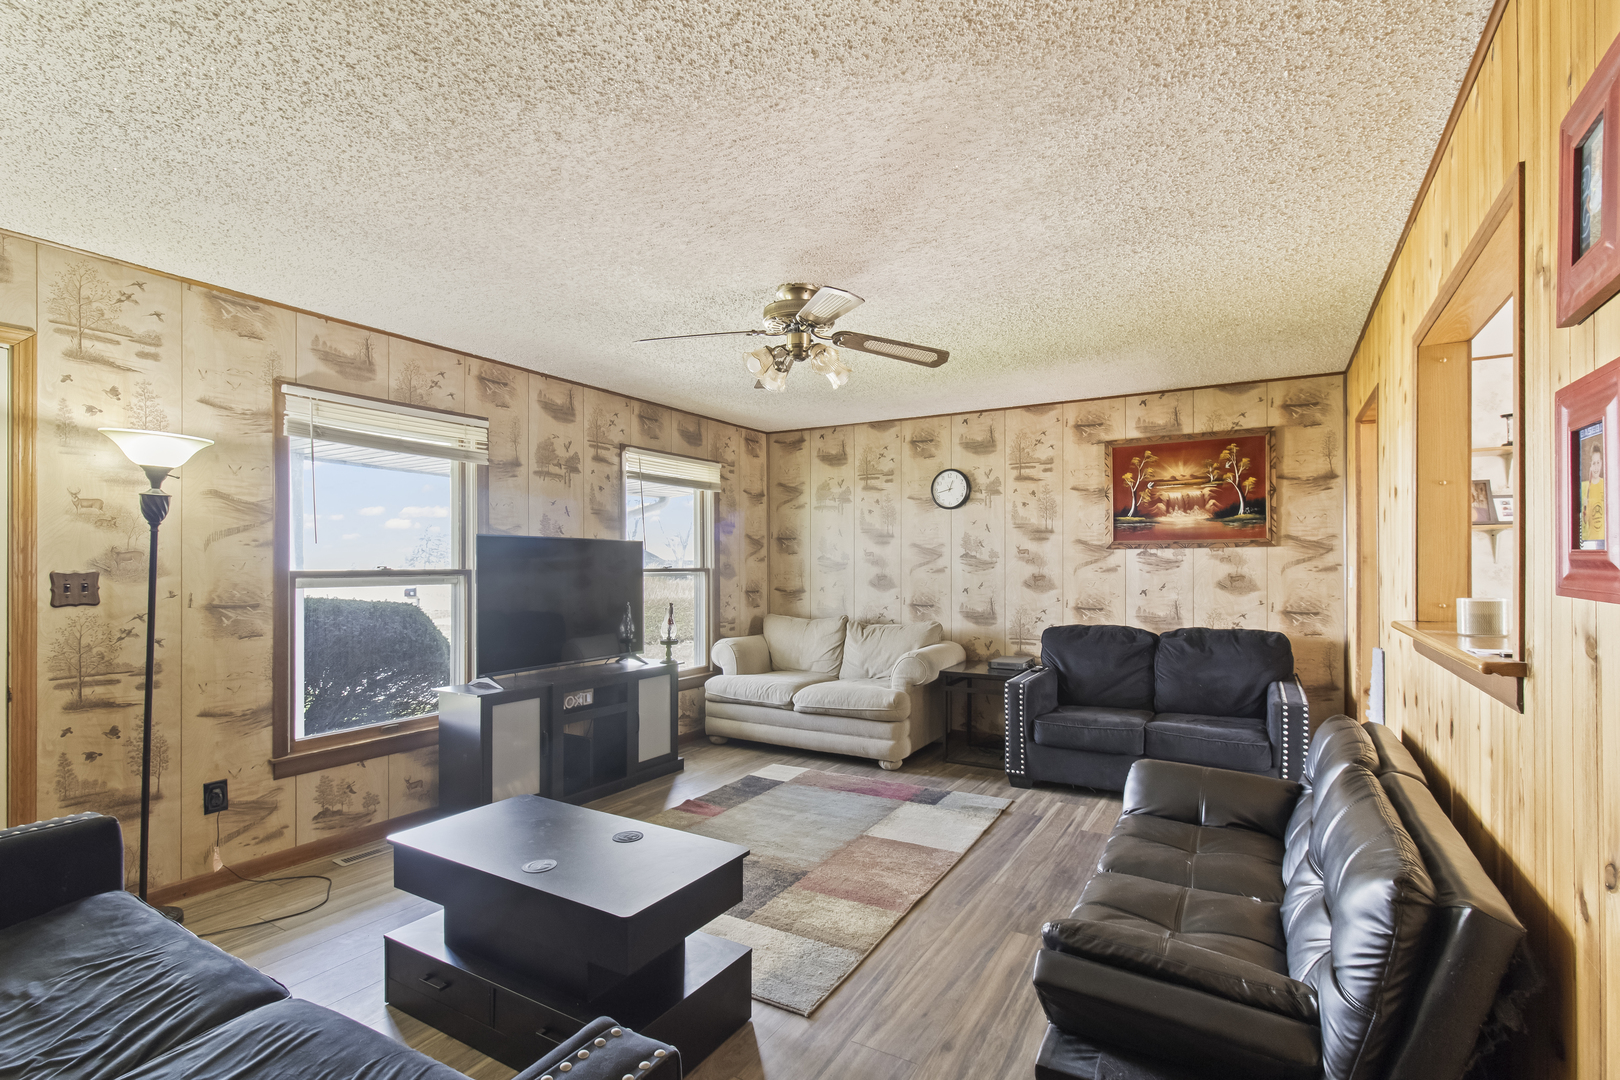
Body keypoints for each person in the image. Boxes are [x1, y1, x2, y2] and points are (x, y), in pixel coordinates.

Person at [1583, 441, 1606, 546]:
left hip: (1605, 541)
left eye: (1598, 463)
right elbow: (1584, 521)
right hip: (1591, 542)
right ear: (1590, 465)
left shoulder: (1606, 485)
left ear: (1601, 463)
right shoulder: (1585, 488)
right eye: (1594, 463)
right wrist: (1584, 506)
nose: (1596, 467)